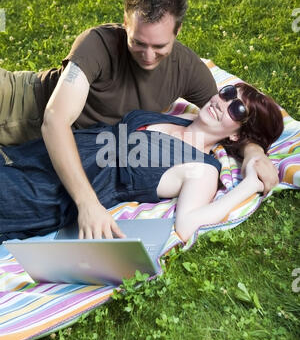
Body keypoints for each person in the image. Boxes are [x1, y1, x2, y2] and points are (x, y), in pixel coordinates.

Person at [0, 0, 279, 239]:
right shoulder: (99, 43)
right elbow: (54, 119)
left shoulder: (186, 73)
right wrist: (87, 203)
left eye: (159, 46)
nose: (148, 56)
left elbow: (237, 128)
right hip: (23, 104)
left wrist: (253, 160)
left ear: (177, 31)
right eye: (138, 42)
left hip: (45, 172)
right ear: (125, 24)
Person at [0, 83, 283, 243]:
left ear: (236, 134)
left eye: (237, 108)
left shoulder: (202, 170)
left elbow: (187, 225)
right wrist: (252, 150)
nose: (224, 102)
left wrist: (248, 185)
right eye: (228, 92)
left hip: (42, 193)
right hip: (34, 153)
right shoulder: (180, 116)